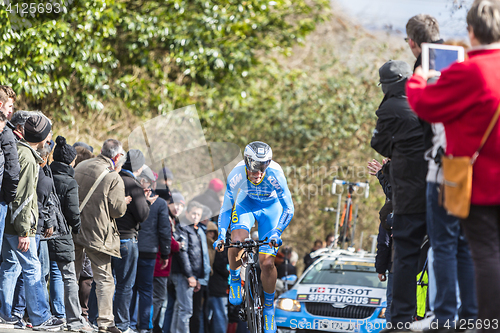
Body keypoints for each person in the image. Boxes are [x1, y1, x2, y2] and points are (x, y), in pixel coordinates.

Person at [406, 0, 500, 329]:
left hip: (471, 180)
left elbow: (426, 105)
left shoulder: (470, 70)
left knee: (472, 249)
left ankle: (467, 320)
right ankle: (474, 318)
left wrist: (418, 79)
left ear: (472, 32)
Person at [214, 141, 294, 333]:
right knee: (236, 240)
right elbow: (226, 208)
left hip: (271, 210)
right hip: (246, 205)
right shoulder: (237, 174)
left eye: (263, 167)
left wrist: (277, 231)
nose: (259, 172)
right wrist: (220, 235)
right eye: (255, 168)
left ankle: (268, 309)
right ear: (247, 163)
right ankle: (234, 279)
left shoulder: (275, 174)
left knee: (267, 263)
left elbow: (288, 208)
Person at [371, 60, 427, 332]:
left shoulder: (390, 107)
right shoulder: (429, 99)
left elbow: (378, 143)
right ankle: (448, 313)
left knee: (404, 252)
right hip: (442, 189)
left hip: (410, 194)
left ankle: (401, 321)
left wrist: (396, 152)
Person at [0, 114, 64, 330]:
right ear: (43, 136)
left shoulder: (19, 150)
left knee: (10, 267)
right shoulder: (28, 157)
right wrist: (25, 231)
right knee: (33, 267)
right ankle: (40, 317)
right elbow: (24, 197)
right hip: (19, 226)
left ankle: (4, 313)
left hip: (9, 223)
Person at [73, 139, 128, 333]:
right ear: (117, 156)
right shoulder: (114, 177)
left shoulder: (80, 166)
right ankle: (105, 322)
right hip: (98, 233)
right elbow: (118, 210)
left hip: (75, 227)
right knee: (104, 278)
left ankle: (68, 316)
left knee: (72, 273)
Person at [49, 135, 95, 332]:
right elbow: (73, 213)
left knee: (46, 273)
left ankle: (48, 314)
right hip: (63, 233)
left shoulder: (46, 174)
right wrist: (76, 228)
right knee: (68, 276)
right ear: (70, 160)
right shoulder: (70, 182)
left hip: (44, 231)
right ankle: (74, 319)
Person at [113, 149, 151, 333]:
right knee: (125, 284)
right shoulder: (134, 185)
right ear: (138, 166)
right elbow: (142, 214)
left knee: (103, 281)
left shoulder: (114, 178)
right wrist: (146, 201)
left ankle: (97, 319)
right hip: (127, 239)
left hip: (108, 237)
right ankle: (121, 324)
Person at [132, 167, 171, 333]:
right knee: (147, 289)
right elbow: (164, 230)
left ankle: (129, 323)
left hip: (133, 247)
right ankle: (145, 326)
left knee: (130, 287)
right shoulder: (161, 203)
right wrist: (165, 254)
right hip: (149, 251)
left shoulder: (132, 199)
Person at [169, 200, 205, 333]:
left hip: (190, 275)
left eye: (199, 215)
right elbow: (183, 254)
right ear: (188, 213)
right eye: (193, 213)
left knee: (180, 308)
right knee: (185, 310)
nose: (196, 217)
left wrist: (196, 277)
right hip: (183, 274)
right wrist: (190, 275)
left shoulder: (194, 229)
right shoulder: (183, 228)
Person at [0, 86, 20, 256]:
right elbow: (13, 171)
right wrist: (7, 197)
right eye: (10, 106)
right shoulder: (5, 132)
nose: (12, 111)